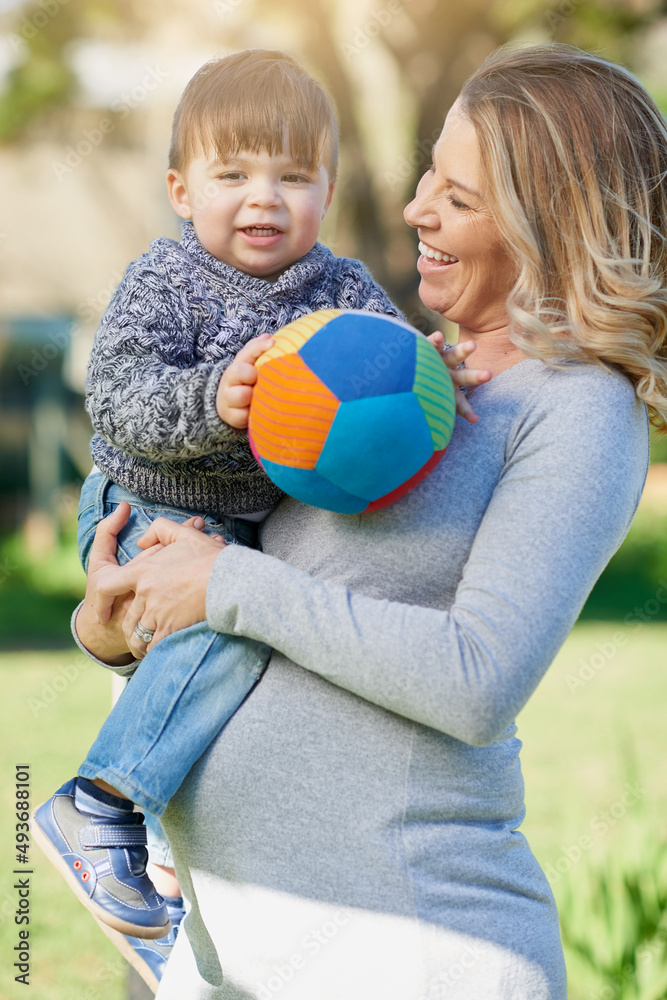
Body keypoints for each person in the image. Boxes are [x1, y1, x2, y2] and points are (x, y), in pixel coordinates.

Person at [66, 42, 667, 999]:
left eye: (460, 199)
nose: (416, 209)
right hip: (223, 958)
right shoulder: (368, 362)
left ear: (551, 226)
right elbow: (268, 600)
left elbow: (475, 680)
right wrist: (115, 632)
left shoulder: (579, 408)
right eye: (432, 170)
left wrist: (226, 584)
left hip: (408, 950)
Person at [32, 48, 482, 992]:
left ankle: (158, 845)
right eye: (232, 175)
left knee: (242, 619)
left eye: (292, 176)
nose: (263, 199)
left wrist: (437, 375)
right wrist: (212, 399)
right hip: (147, 504)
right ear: (179, 189)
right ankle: (101, 802)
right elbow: (113, 397)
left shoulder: (342, 286)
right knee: (226, 620)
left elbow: (390, 364)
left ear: (327, 184)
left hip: (241, 529)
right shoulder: (166, 279)